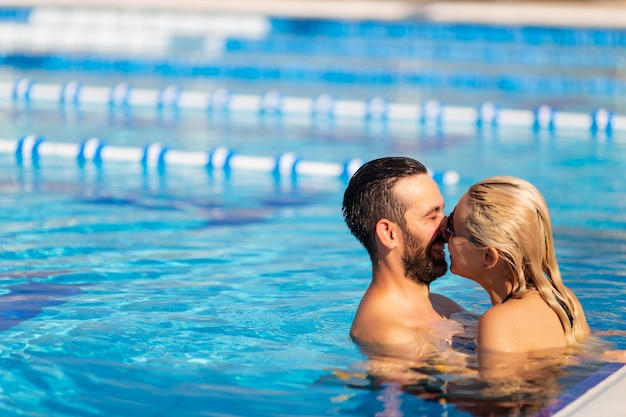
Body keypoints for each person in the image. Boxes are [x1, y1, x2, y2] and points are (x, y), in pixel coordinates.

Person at [444, 176, 590, 355]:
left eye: (452, 227)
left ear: (489, 257)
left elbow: (497, 383)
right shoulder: (565, 300)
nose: (444, 235)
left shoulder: (499, 322)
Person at [342, 156, 464, 358]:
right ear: (389, 234)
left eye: (443, 212)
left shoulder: (441, 304)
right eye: (432, 216)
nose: (448, 225)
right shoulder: (390, 336)